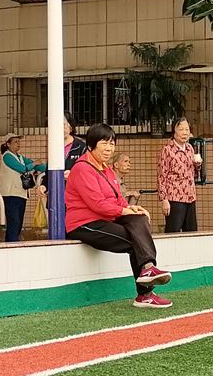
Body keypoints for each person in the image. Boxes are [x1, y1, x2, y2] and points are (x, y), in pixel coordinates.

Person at [66, 124, 173, 308]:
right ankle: (145, 292)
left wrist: (134, 209)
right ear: (91, 145)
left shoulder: (106, 169)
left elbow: (118, 199)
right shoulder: (82, 168)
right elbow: (97, 204)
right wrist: (124, 211)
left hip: (105, 218)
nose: (109, 148)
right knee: (135, 241)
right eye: (104, 143)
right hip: (83, 223)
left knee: (138, 219)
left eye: (112, 144)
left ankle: (148, 273)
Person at [157, 117, 202, 233]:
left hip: (190, 196)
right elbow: (162, 176)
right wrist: (164, 200)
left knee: (191, 232)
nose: (185, 132)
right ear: (174, 131)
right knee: (173, 231)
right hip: (174, 197)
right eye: (181, 129)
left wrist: (198, 165)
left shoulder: (190, 148)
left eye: (187, 129)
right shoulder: (167, 150)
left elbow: (195, 173)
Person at [0, 133, 45, 243]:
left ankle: (13, 242)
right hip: (10, 194)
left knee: (18, 222)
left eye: (19, 142)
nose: (18, 144)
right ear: (8, 144)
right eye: (15, 142)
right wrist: (35, 163)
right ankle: (11, 244)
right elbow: (22, 168)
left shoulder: (20, 157)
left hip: (21, 193)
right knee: (13, 221)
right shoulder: (7, 156)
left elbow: (35, 165)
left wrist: (49, 168)